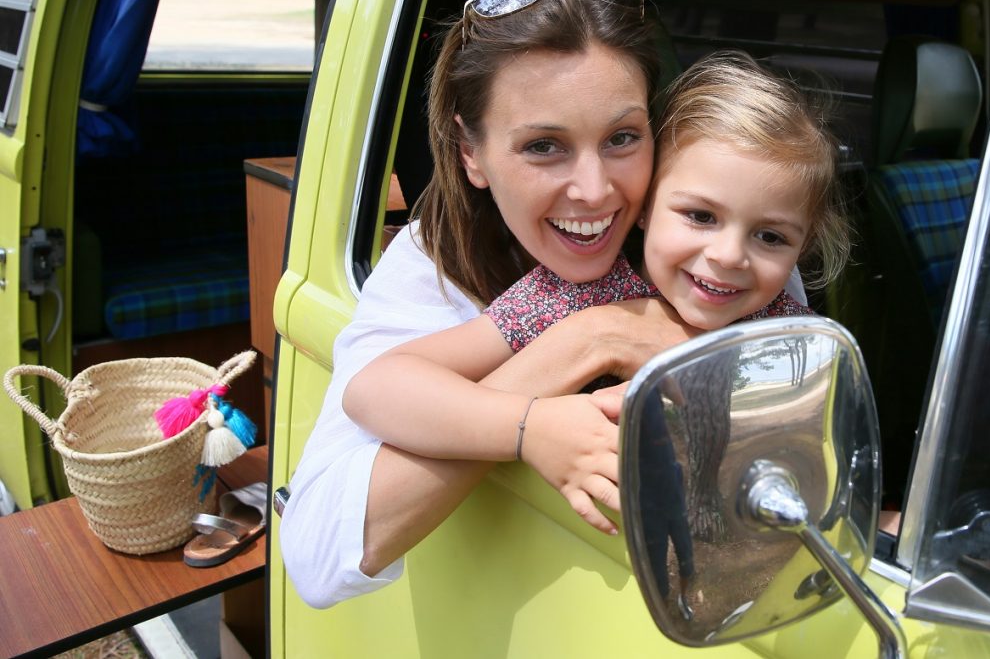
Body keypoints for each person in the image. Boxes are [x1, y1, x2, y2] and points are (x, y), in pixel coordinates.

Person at [281, 0, 697, 609]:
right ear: (470, 153)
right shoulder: (434, 263)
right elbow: (315, 558)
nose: (594, 190)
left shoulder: (706, 239)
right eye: (543, 147)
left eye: (621, 138)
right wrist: (585, 340)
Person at [341, 51, 851, 537]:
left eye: (770, 237)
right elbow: (375, 388)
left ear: (801, 246)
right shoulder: (578, 296)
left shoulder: (791, 334)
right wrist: (531, 428)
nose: (728, 256)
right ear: (647, 205)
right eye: (700, 216)